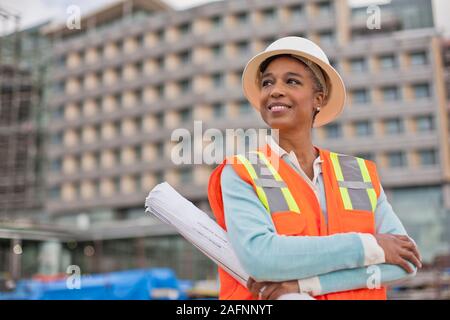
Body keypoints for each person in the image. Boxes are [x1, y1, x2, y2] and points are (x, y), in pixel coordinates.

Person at [207, 37, 422, 300]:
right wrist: (370, 246)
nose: (275, 90)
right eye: (267, 82)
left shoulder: (356, 173)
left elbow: (405, 261)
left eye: (292, 81)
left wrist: (309, 285)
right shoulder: (242, 171)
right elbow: (262, 258)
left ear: (318, 99)